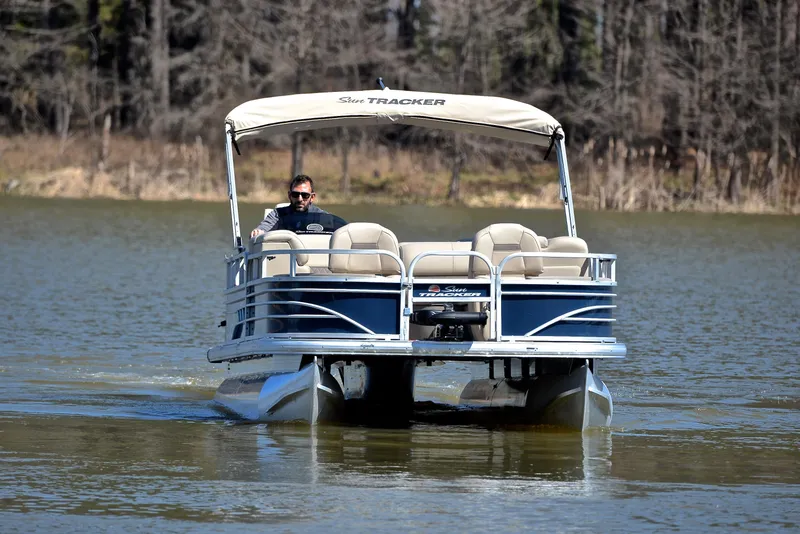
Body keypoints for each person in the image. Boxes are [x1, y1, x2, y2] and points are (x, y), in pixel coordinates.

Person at [250, 175, 346, 238]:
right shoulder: (277, 215)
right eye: (295, 194)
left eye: (305, 195)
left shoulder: (323, 217)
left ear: (312, 197)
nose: (300, 199)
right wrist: (258, 232)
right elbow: (264, 228)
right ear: (289, 195)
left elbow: (343, 232)